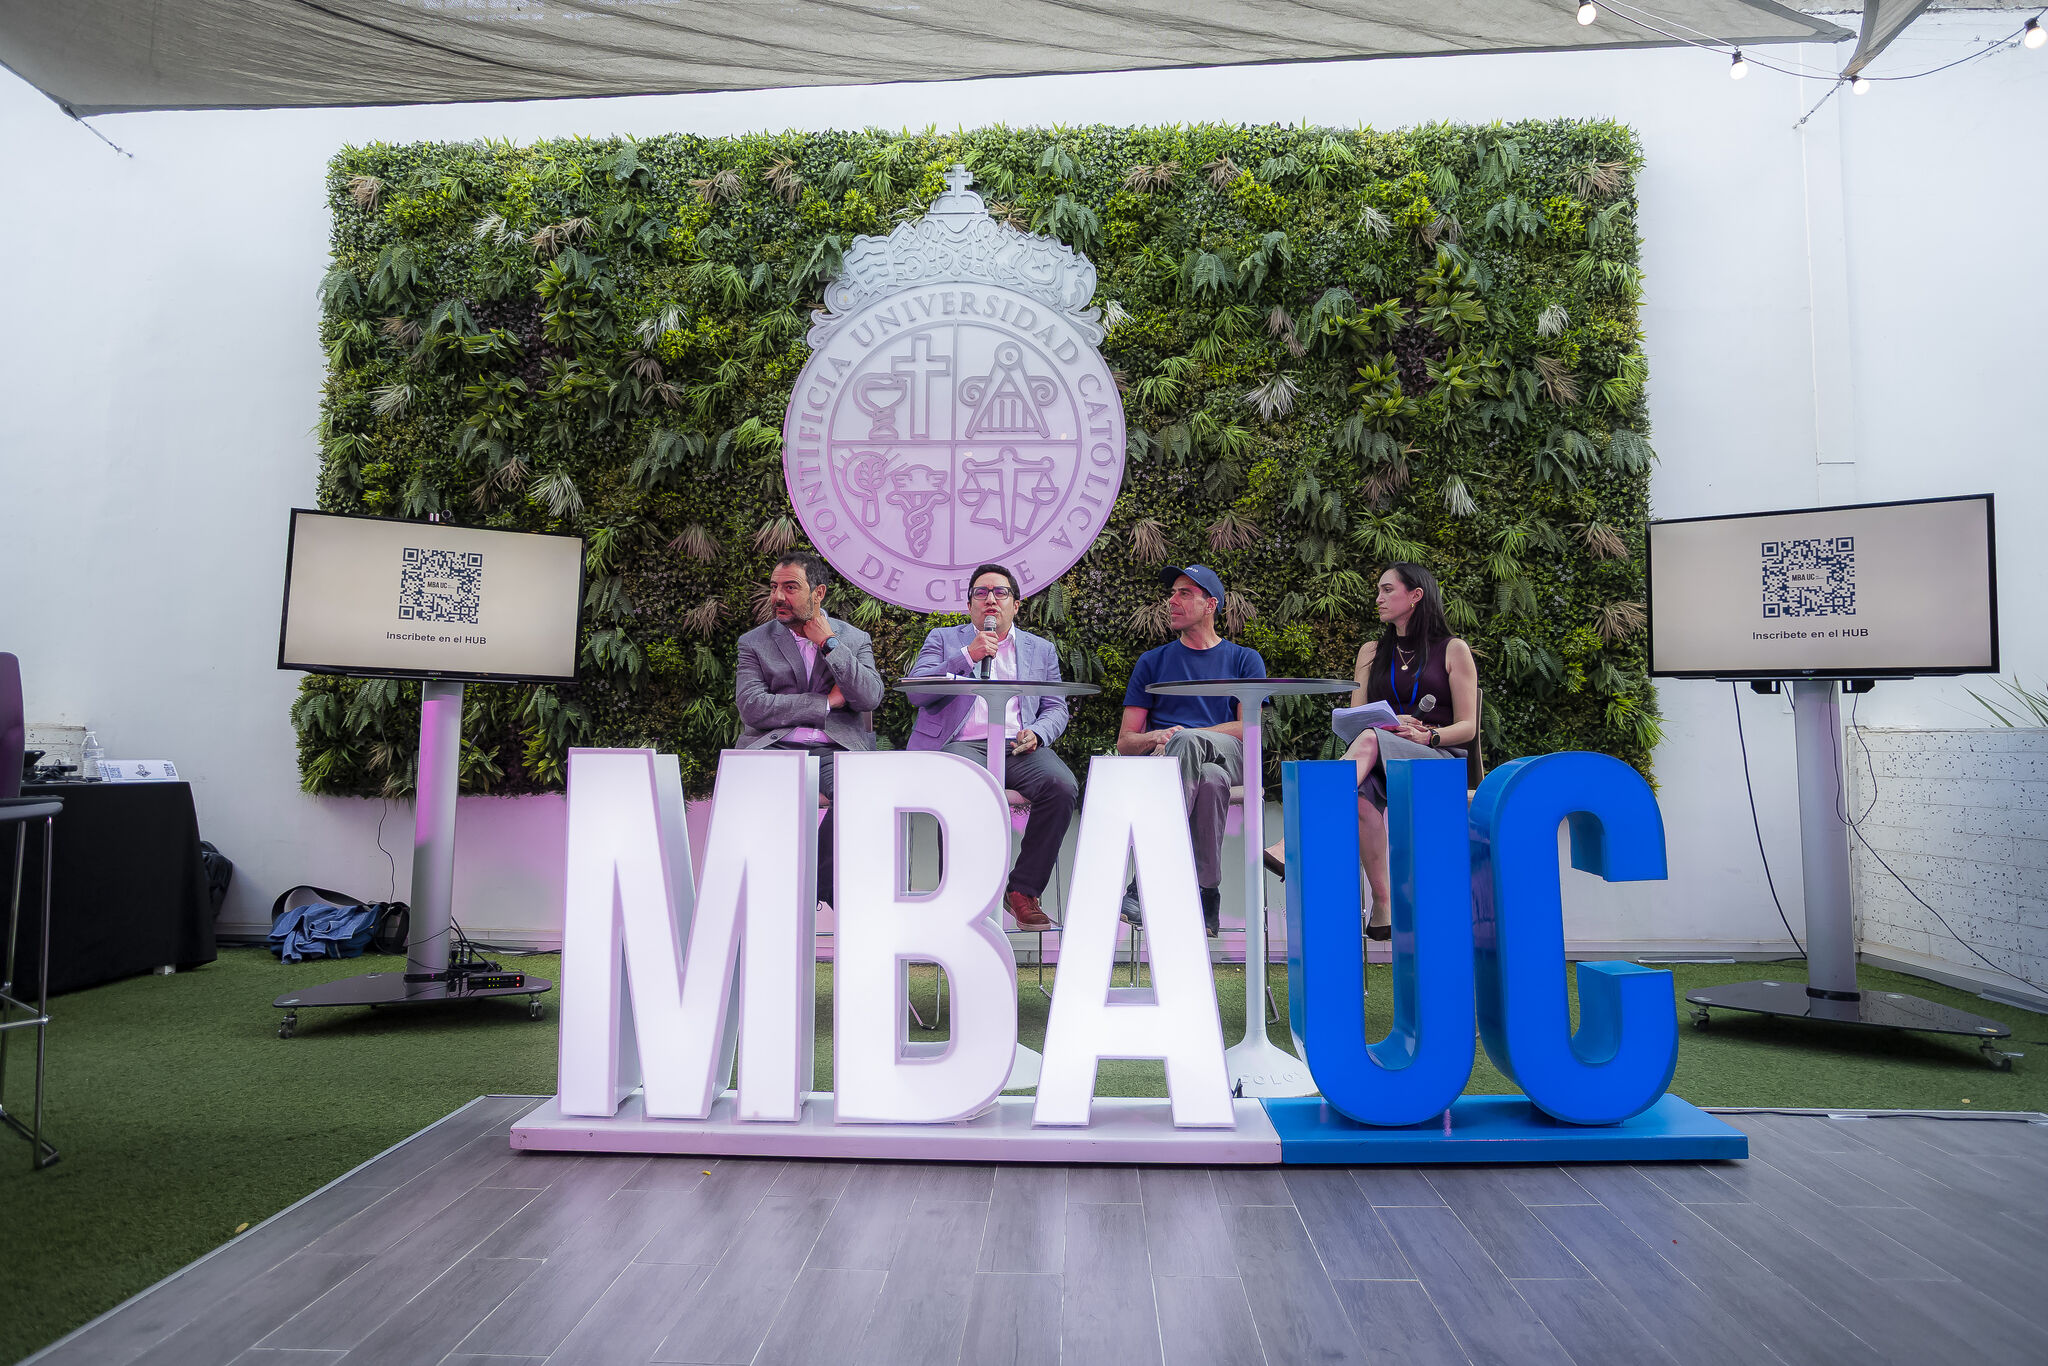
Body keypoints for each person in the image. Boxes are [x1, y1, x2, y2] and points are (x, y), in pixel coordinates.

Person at [1263, 562, 1477, 940]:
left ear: (1416, 595)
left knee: (1369, 740)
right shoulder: (1371, 651)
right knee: (1359, 796)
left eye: (1387, 590)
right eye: (1378, 590)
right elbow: (1357, 715)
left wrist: (1429, 736)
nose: (1378, 598)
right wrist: (1390, 724)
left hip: (1434, 758)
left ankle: (1293, 841)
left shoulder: (1452, 649)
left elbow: (1468, 726)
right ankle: (1384, 903)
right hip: (1380, 754)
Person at [903, 564, 1077, 932]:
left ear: (1016, 604)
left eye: (1000, 592)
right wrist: (968, 655)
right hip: (960, 744)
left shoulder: (1041, 650)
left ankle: (1023, 891)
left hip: (1019, 746)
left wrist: (1038, 733)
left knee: (1061, 786)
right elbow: (917, 691)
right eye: (981, 593)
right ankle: (961, 899)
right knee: (963, 783)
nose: (991, 600)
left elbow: (1056, 708)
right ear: (969, 606)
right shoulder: (943, 639)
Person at [1117, 564, 1267, 936]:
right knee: (1210, 780)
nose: (1172, 601)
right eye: (1172, 593)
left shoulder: (1244, 659)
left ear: (1210, 605)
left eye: (1184, 593)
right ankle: (1207, 895)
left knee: (1191, 746)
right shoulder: (1152, 662)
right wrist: (1157, 737)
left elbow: (1249, 729)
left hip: (1230, 755)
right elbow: (1126, 741)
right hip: (1172, 761)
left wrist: (1187, 736)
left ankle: (1145, 879)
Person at [734, 551, 885, 909]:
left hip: (835, 750)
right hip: (775, 749)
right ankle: (766, 900)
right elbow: (752, 706)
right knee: (755, 800)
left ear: (818, 593)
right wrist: (825, 703)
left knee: (864, 794)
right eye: (774, 587)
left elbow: (869, 697)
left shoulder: (853, 639)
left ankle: (813, 882)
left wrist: (829, 644)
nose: (778, 597)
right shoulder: (754, 642)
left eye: (790, 587)